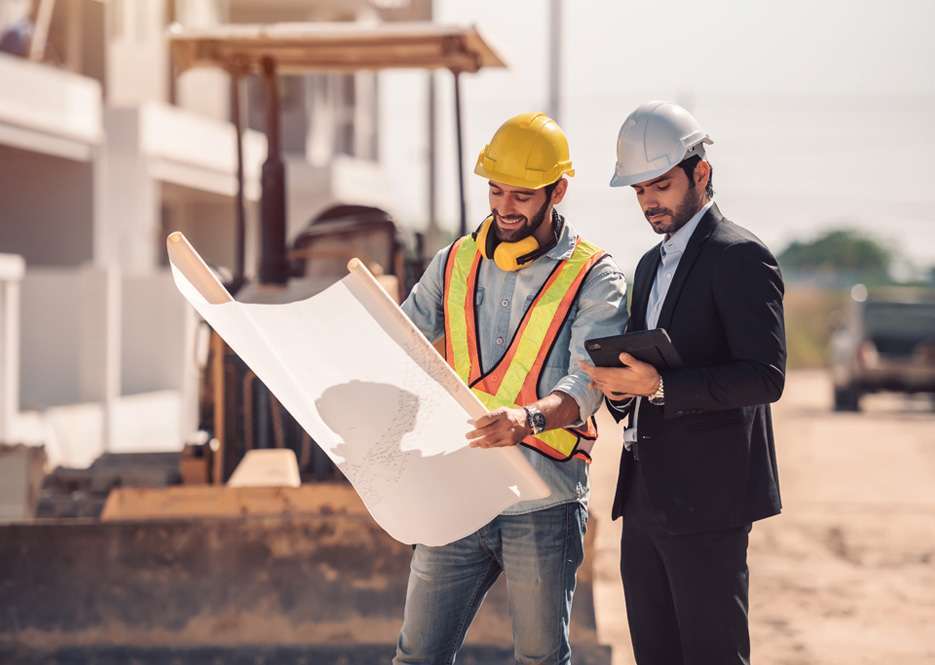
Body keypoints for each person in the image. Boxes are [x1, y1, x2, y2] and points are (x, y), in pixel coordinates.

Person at [393, 112, 629, 665]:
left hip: (542, 500)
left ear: (558, 191)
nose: (504, 207)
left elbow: (588, 383)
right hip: (457, 492)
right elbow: (399, 343)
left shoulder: (595, 277)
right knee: (416, 657)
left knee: (539, 660)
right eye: (496, 190)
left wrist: (529, 419)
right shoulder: (453, 262)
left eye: (522, 194)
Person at [580, 101, 786, 665]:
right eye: (640, 189)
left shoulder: (741, 256)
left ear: (701, 173)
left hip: (711, 503)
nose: (650, 201)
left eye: (662, 185)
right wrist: (623, 391)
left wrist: (662, 388)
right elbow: (647, 375)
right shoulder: (647, 265)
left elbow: (765, 376)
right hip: (645, 499)